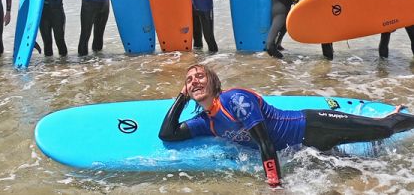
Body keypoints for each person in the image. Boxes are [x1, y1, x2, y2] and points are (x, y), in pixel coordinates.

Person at [159, 64, 414, 188]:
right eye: (189, 80)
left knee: (384, 129)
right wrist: (183, 95)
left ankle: (395, 117)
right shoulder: (207, 122)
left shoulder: (235, 100)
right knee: (360, 168)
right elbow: (168, 134)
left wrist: (275, 185)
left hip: (314, 126)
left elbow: (264, 143)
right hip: (307, 150)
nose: (194, 81)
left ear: (214, 82)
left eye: (200, 76)